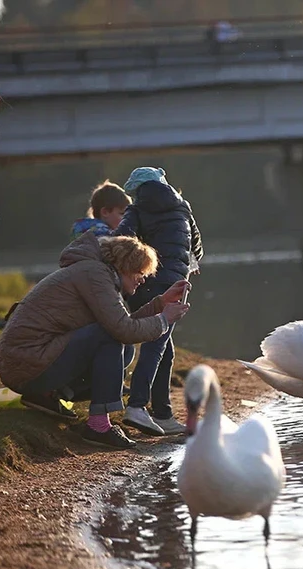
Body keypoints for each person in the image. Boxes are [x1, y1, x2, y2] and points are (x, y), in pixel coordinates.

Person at [0, 232, 190, 449]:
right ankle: (98, 426)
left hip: (28, 362)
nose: (144, 278)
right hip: (26, 365)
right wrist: (164, 320)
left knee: (122, 348)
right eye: (141, 272)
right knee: (110, 338)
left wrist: (160, 304)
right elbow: (122, 330)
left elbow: (121, 323)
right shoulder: (94, 274)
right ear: (125, 265)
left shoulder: (95, 273)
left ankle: (47, 394)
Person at [115, 167, 203, 437]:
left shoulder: (137, 208)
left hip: (144, 281)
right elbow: (197, 247)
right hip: (175, 283)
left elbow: (121, 239)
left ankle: (162, 412)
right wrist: (187, 265)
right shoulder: (182, 207)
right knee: (157, 345)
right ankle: (138, 406)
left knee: (163, 348)